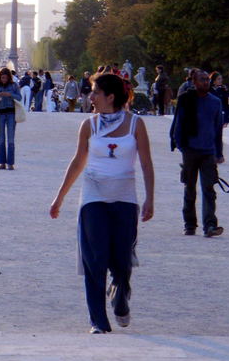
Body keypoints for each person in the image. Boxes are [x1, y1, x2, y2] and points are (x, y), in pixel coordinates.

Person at [50, 72, 154, 334]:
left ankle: (120, 295)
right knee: (94, 258)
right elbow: (78, 161)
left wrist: (150, 198)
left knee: (121, 259)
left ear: (110, 96)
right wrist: (59, 197)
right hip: (94, 194)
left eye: (95, 92)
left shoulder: (136, 124)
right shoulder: (89, 125)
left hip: (125, 196)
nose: (90, 96)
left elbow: (146, 163)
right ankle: (98, 320)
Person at [172, 69, 224, 237]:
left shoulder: (215, 102)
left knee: (209, 188)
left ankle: (209, 225)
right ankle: (189, 224)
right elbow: (178, 124)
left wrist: (219, 152)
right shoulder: (186, 100)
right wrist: (181, 146)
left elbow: (218, 129)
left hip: (208, 151)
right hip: (190, 149)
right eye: (202, 80)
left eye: (207, 80)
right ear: (194, 82)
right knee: (190, 188)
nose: (205, 83)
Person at [0, 67, 22, 170]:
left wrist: (10, 94)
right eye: (2, 78)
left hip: (11, 113)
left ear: (9, 77)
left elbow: (19, 97)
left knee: (11, 139)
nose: (4, 80)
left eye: (5, 78)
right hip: (0, 114)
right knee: (1, 140)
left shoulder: (14, 86)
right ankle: (2, 162)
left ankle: (10, 163)